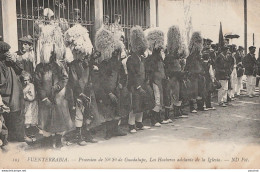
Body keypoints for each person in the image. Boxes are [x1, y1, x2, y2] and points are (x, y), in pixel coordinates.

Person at [34, 49, 74, 148]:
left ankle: (59, 140)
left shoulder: (59, 66)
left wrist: (58, 87)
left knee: (60, 120)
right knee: (46, 120)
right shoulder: (40, 67)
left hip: (58, 98)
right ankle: (48, 141)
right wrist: (43, 97)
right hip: (46, 98)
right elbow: (38, 83)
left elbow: (65, 78)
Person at [94, 28, 128, 139]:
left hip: (117, 90)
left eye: (118, 51)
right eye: (115, 51)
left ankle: (116, 129)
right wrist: (109, 93)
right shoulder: (104, 64)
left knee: (117, 109)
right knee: (108, 111)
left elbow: (123, 76)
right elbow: (102, 80)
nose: (116, 53)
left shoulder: (118, 63)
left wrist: (121, 84)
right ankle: (109, 131)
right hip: (107, 93)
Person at [126, 26, 154, 133]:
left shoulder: (142, 58)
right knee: (135, 104)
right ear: (137, 48)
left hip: (142, 83)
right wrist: (138, 86)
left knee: (142, 104)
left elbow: (145, 70)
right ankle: (131, 125)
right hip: (134, 85)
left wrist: (146, 80)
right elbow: (132, 75)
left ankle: (139, 123)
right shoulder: (131, 59)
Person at [0, 41, 25, 142]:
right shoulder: (1, 64)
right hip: (6, 95)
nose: (7, 53)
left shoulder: (10, 62)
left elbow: (20, 70)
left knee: (17, 115)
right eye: (5, 51)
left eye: (8, 51)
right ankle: (6, 139)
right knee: (6, 116)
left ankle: (18, 137)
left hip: (16, 93)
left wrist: (14, 61)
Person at [163, 26, 187, 123]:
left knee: (180, 93)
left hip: (177, 76)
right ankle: (167, 115)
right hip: (172, 76)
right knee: (169, 95)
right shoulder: (168, 54)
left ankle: (177, 111)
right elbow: (167, 65)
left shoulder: (176, 55)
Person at [145, 28, 166, 127]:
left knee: (160, 98)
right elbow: (150, 70)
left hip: (160, 80)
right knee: (157, 98)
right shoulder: (151, 58)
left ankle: (158, 118)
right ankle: (154, 119)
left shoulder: (159, 57)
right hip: (155, 81)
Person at [185, 31, 206, 112]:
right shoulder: (190, 57)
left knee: (200, 91)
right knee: (193, 91)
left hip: (199, 75)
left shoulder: (199, 57)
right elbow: (188, 67)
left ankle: (200, 105)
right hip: (193, 75)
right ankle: (192, 107)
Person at [21, 72, 38, 143]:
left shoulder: (31, 86)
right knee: (26, 120)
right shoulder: (22, 86)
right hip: (25, 105)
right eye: (25, 80)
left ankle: (32, 136)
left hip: (32, 105)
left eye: (28, 80)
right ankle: (28, 136)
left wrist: (25, 95)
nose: (26, 82)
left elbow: (32, 97)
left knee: (31, 119)